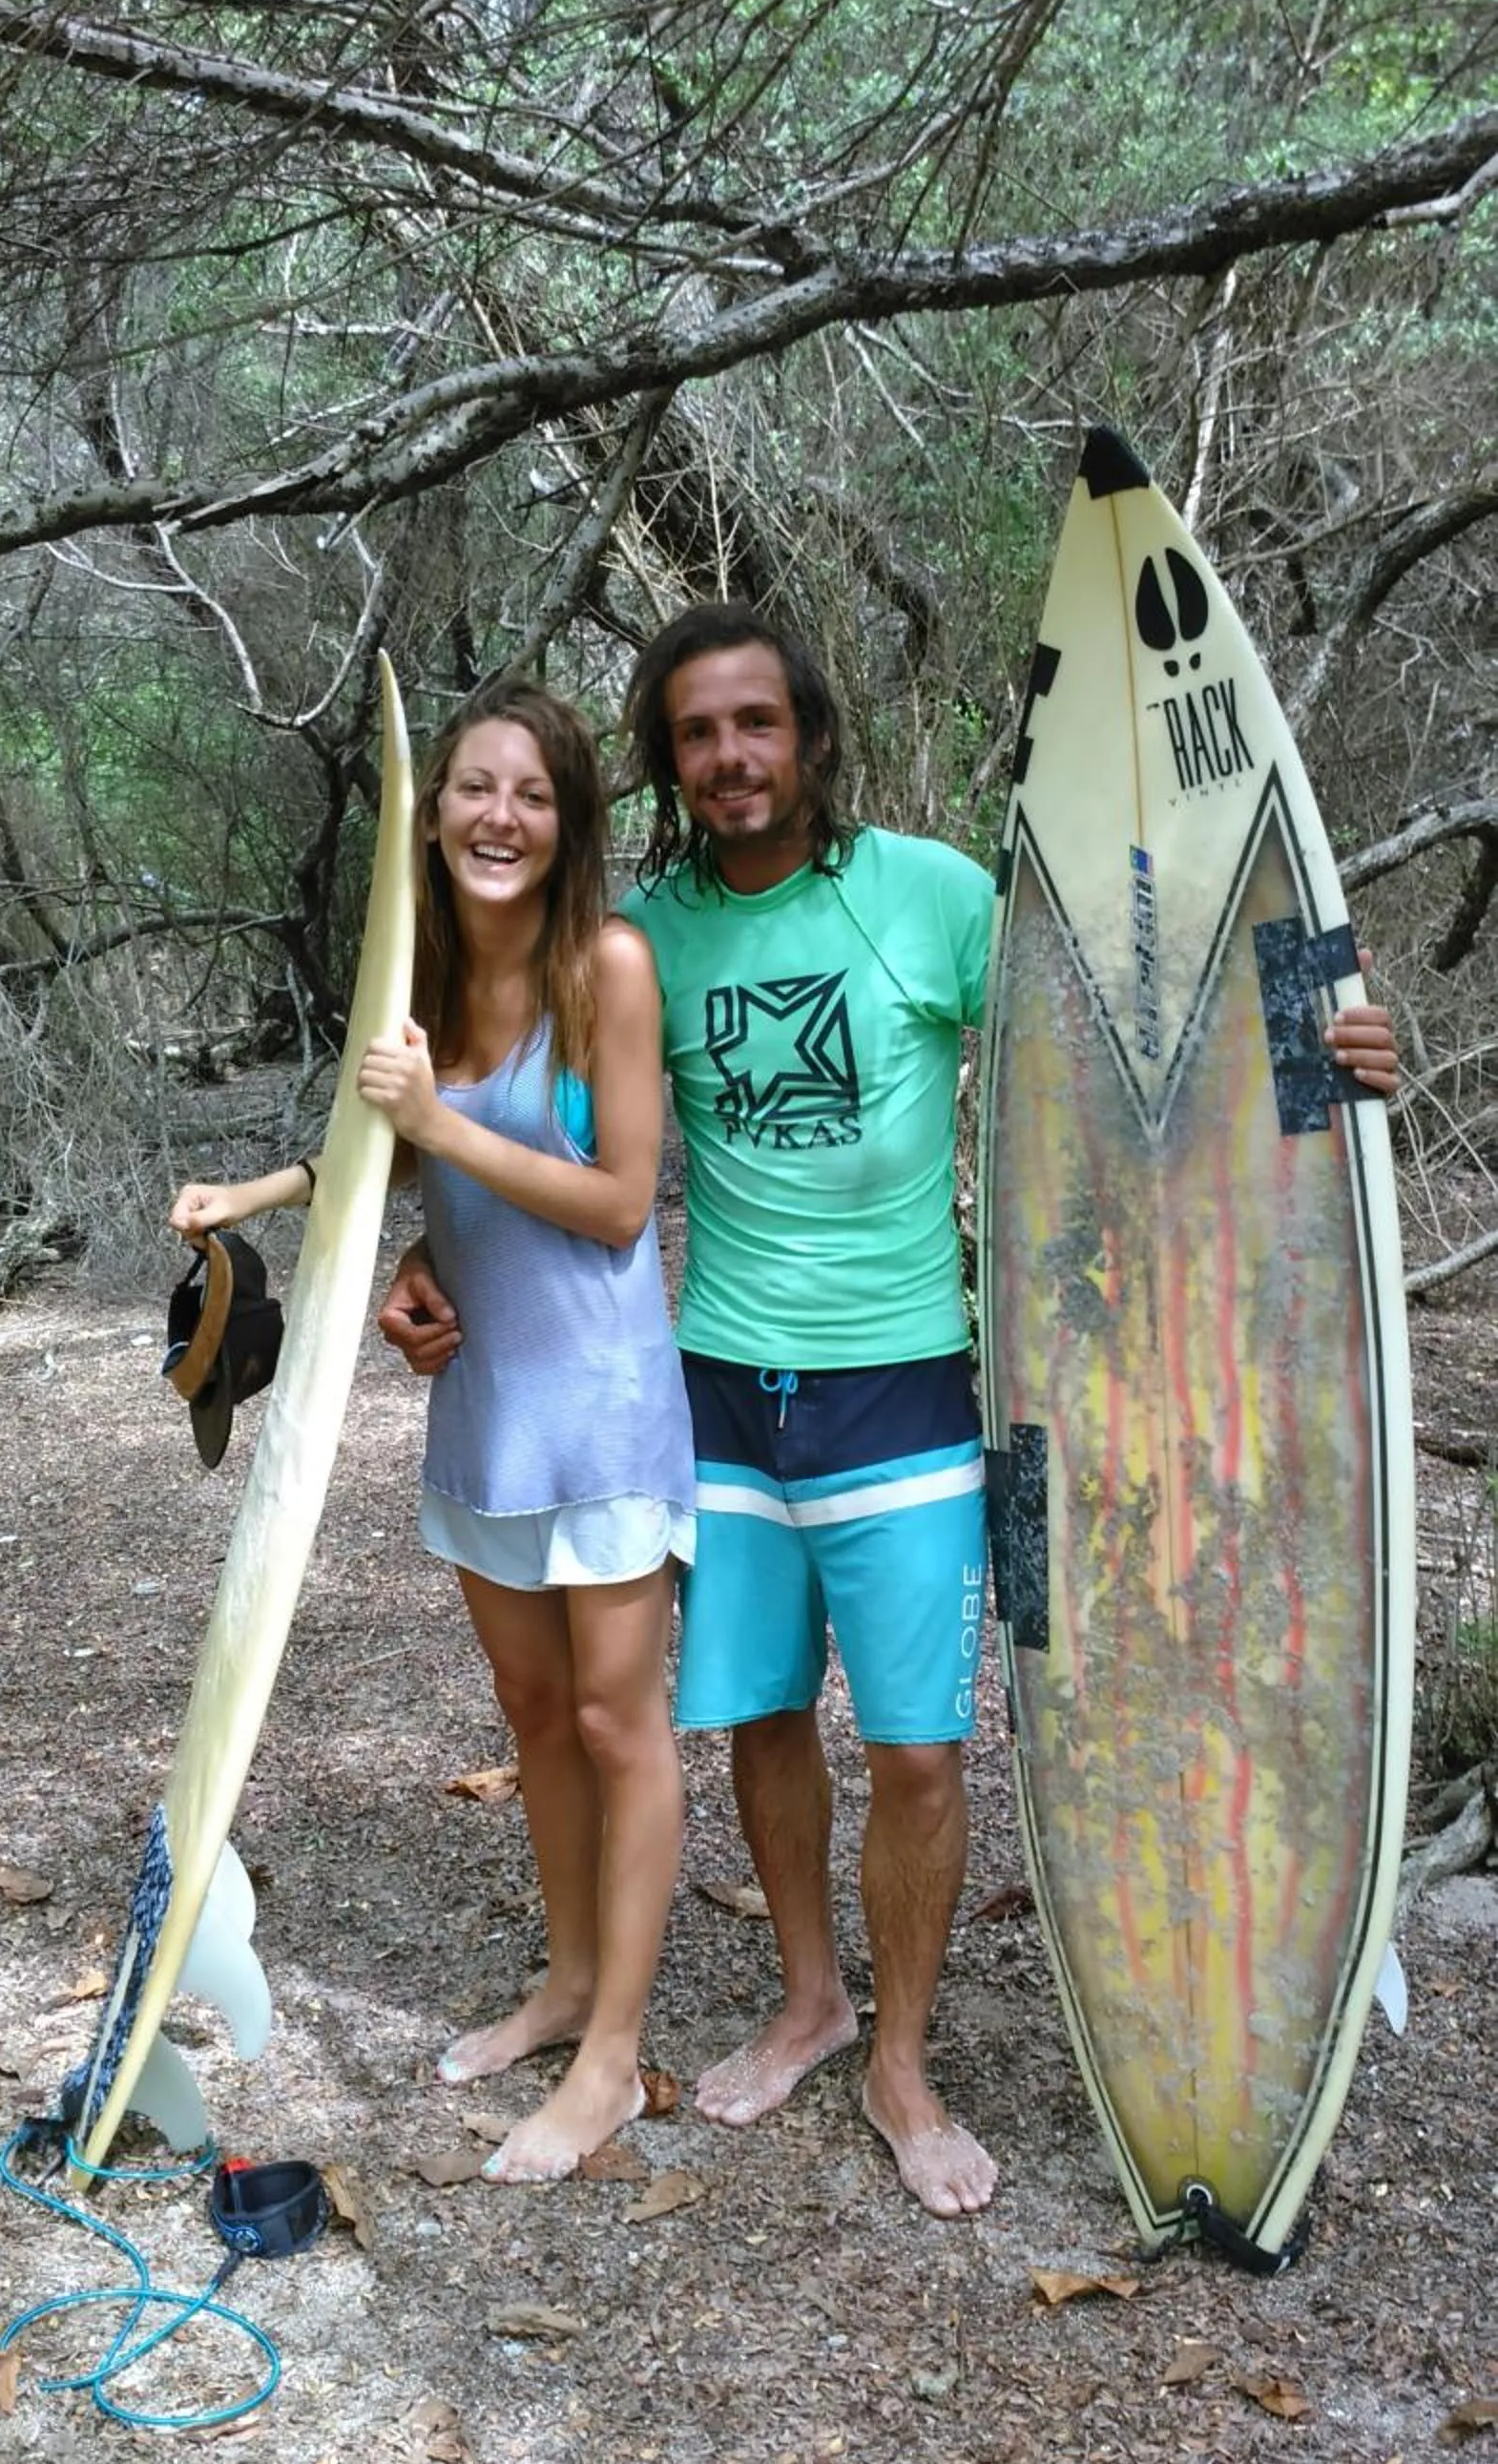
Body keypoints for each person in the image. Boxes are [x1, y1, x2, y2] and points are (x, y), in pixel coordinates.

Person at [390, 604, 1403, 2221]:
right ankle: (810, 1999)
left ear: (808, 735)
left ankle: (903, 2058)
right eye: (698, 734)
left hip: (913, 1391)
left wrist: (1317, 1037)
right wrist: (424, 1268)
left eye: (755, 726)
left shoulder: (927, 897)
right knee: (763, 1717)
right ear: (667, 762)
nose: (729, 758)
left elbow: (1111, 1041)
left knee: (922, 1752)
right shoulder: (638, 934)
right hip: (710, 1394)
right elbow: (528, 1114)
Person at [171, 680, 694, 2185]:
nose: (498, 816)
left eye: (530, 793)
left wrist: (446, 1126)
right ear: (433, 811)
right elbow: (360, 1150)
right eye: (473, 787)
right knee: (535, 1722)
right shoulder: (420, 992)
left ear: (567, 818)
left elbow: (614, 1208)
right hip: (484, 1409)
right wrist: (246, 1203)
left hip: (601, 1409)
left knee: (615, 1723)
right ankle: (569, 1979)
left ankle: (611, 2062)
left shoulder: (609, 968)